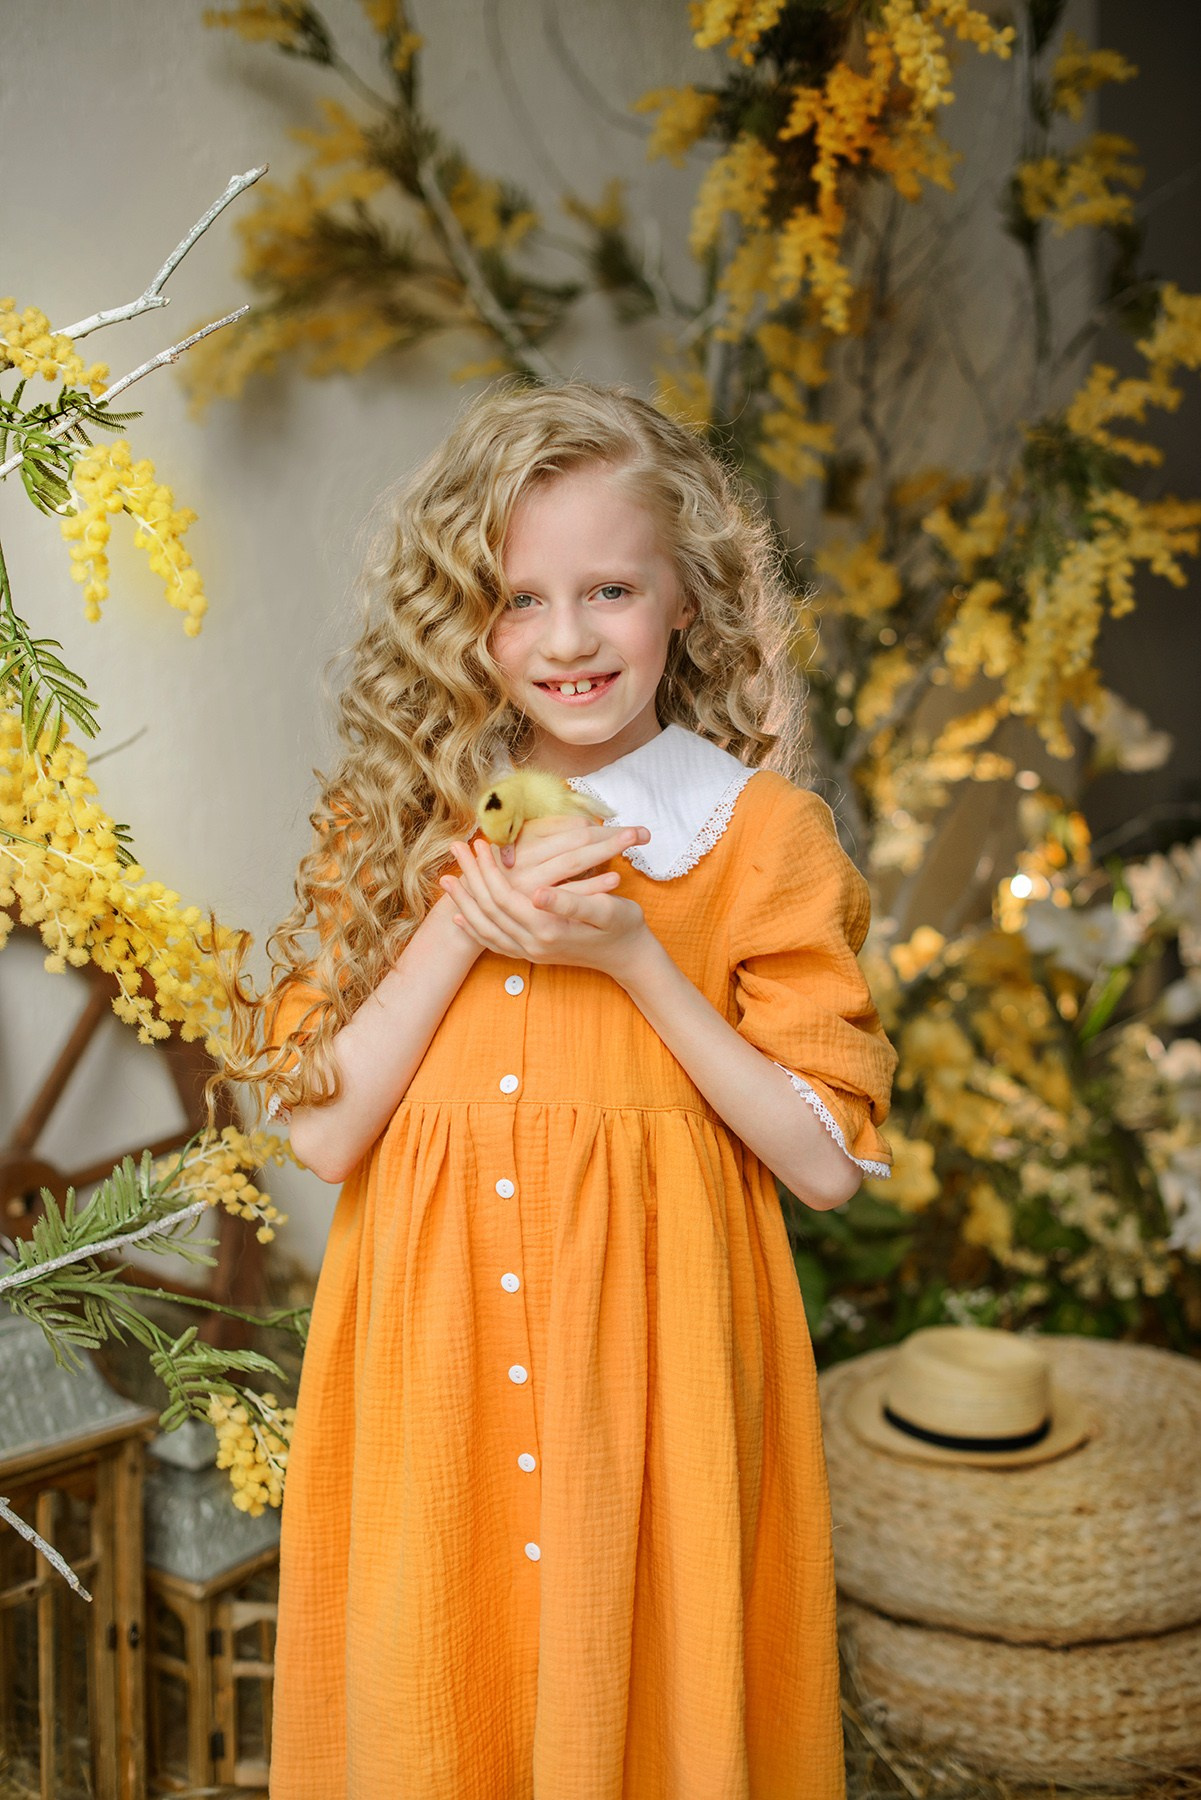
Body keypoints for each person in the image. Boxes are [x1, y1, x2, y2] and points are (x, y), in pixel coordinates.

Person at [214, 378, 898, 1799]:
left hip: (656, 1382)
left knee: (643, 1691)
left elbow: (824, 1161)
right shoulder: (401, 820)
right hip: (434, 1362)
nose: (569, 639)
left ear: (684, 607)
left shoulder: (755, 836)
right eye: (521, 598)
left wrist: (637, 957)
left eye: (609, 590)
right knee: (437, 1684)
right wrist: (459, 920)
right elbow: (327, 1134)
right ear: (467, 618)